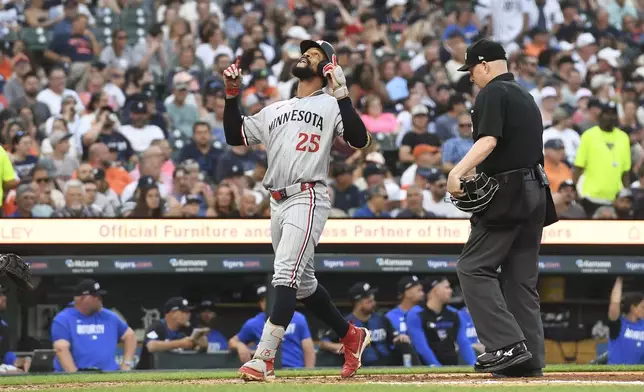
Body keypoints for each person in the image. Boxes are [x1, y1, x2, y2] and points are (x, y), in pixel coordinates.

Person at [222, 39, 371, 381]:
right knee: (302, 284)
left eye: (315, 55)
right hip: (277, 200)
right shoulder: (276, 108)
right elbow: (235, 135)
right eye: (305, 52)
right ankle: (351, 335)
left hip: (308, 194)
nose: (306, 55)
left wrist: (343, 95)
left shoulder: (332, 104)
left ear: (326, 68)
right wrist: (232, 95)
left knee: (285, 275)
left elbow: (360, 140)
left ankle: (263, 358)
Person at [448, 39, 558, 377]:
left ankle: (506, 345)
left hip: (510, 192)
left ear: (484, 65)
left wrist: (457, 171)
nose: (471, 78)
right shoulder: (525, 95)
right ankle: (530, 360)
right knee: (519, 281)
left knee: (472, 267)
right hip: (536, 191)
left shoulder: (493, 93)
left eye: (471, 70)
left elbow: (489, 139)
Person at [320, 282, 417, 367]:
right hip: (362, 366)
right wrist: (340, 347)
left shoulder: (381, 319)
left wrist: (400, 338)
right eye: (369, 301)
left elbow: (393, 338)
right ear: (358, 303)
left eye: (373, 299)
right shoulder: (345, 323)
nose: (373, 303)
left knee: (405, 345)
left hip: (387, 363)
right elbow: (323, 343)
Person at [50, 279, 137, 372]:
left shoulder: (109, 316)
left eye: (100, 296)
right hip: (80, 373)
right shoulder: (64, 319)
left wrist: (126, 364)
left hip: (109, 374)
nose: (100, 299)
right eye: (96, 296)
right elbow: (61, 348)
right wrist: (75, 377)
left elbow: (130, 336)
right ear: (82, 298)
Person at [228, 286, 315, 369]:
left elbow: (308, 348)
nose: (269, 303)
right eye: (264, 301)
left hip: (294, 369)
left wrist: (308, 371)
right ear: (261, 304)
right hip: (266, 372)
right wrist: (240, 345)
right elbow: (232, 341)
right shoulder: (254, 323)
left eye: (272, 299)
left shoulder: (297, 318)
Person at [406, 277, 476, 366]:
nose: (450, 291)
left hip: (452, 366)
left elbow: (463, 343)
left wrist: (474, 364)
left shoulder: (454, 314)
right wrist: (438, 368)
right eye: (446, 287)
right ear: (435, 290)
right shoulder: (416, 314)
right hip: (425, 370)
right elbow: (421, 347)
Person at [136, 297, 209, 370]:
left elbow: (196, 350)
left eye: (189, 312)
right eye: (184, 312)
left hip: (174, 372)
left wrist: (203, 346)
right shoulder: (157, 327)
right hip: (147, 374)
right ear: (173, 313)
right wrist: (181, 343)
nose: (188, 315)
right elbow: (151, 346)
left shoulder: (187, 329)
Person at [607, 277, 644, 364]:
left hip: (638, 375)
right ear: (633, 308)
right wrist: (619, 279)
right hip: (616, 374)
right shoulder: (619, 323)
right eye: (642, 307)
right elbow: (614, 303)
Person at [0, 285, 30, 372]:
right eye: (0, 295)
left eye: (3, 294)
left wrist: (17, 362)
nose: (4, 297)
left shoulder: (3, 325)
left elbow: (5, 353)